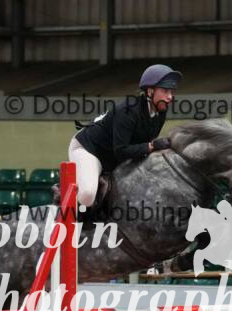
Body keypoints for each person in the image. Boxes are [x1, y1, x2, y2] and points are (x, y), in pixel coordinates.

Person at [69, 64, 182, 207]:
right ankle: (63, 198)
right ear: (150, 91)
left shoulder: (160, 112)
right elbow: (121, 151)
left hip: (112, 158)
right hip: (89, 150)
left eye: (171, 92)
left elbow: (141, 146)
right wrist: (151, 146)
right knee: (87, 195)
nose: (170, 97)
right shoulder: (128, 111)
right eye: (165, 91)